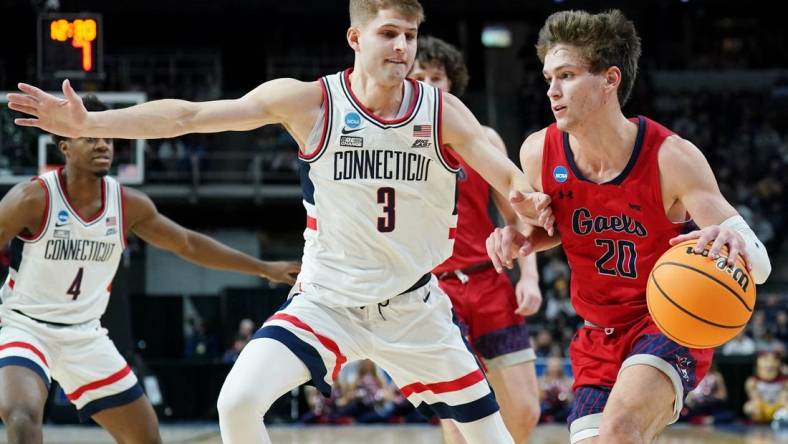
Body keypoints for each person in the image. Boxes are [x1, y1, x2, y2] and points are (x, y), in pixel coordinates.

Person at [7, 1, 553, 442]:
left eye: (410, 34)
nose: (403, 47)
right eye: (389, 33)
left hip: (412, 306)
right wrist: (92, 120)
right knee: (237, 402)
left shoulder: (441, 111)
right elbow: (189, 117)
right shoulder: (311, 102)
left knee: (493, 434)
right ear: (355, 38)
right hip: (327, 301)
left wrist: (524, 197)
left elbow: (502, 171)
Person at [486, 9, 772, 444]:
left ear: (610, 79)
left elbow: (761, 263)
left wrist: (733, 239)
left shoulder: (671, 157)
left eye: (566, 75)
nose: (552, 91)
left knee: (619, 432)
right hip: (597, 335)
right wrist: (519, 237)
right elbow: (555, 228)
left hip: (668, 320)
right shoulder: (538, 152)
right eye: (548, 78)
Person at [0, 97, 301, 443]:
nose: (102, 144)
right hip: (26, 327)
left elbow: (187, 244)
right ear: (64, 144)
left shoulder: (127, 204)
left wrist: (264, 268)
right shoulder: (32, 199)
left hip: (85, 335)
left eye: (107, 137)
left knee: (146, 437)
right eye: (90, 136)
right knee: (22, 417)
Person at [410, 35, 540, 443]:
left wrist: (531, 276)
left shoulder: (481, 138)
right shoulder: (393, 145)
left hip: (489, 280)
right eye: (420, 77)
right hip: (435, 292)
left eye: (437, 78)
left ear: (452, 84)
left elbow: (515, 212)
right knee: (459, 415)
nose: (430, 86)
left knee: (524, 411)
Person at [743, 351, 787, 424]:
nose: (769, 365)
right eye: (766, 361)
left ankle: (780, 419)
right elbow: (755, 399)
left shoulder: (784, 382)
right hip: (762, 408)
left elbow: (783, 398)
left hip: (778, 408)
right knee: (748, 407)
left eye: (773, 362)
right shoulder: (752, 381)